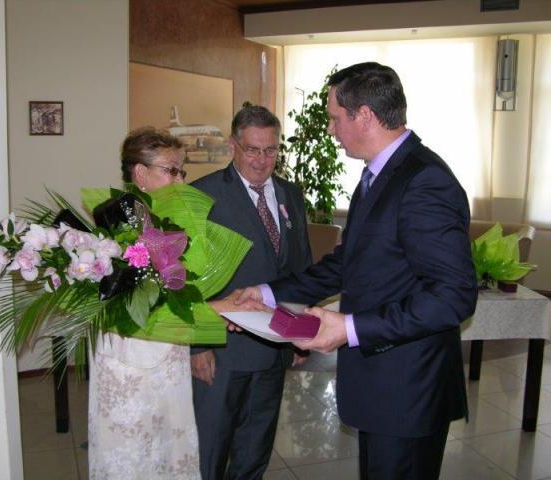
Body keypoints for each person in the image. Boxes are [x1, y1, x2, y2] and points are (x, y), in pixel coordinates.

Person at [238, 63, 478, 480]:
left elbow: (453, 296)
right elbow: (346, 264)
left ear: (364, 115)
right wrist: (267, 293)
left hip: (408, 390)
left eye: (335, 118)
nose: (331, 130)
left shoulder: (424, 181)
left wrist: (349, 327)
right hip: (381, 387)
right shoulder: (378, 175)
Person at [88, 127, 262, 480]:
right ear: (140, 174)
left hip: (169, 359)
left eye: (182, 171)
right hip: (131, 367)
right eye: (171, 170)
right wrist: (218, 309)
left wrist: (216, 305)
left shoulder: (168, 222)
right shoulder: (114, 228)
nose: (182, 179)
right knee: (136, 458)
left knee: (171, 454)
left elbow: (180, 293)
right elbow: (142, 310)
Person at [190, 106, 313, 480]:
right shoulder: (203, 195)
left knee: (255, 447)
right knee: (211, 449)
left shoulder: (290, 194)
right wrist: (197, 346)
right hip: (224, 352)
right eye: (252, 150)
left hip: (274, 347)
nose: (262, 160)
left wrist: (300, 336)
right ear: (233, 146)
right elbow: (186, 279)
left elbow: (301, 267)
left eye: (271, 150)